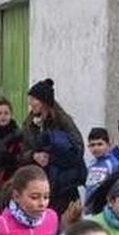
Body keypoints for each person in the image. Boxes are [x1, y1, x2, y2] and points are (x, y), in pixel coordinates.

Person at [20, 80, 85, 214]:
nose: (30, 103)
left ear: (44, 101)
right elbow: (22, 154)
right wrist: (33, 155)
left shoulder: (63, 121)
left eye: (34, 99)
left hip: (64, 187)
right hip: (39, 187)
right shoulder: (28, 124)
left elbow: (78, 150)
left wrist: (52, 158)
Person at [81, 127, 116, 206]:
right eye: (92, 145)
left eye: (100, 144)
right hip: (89, 207)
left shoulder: (112, 163)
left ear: (108, 144)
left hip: (105, 207)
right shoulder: (91, 164)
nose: (96, 148)